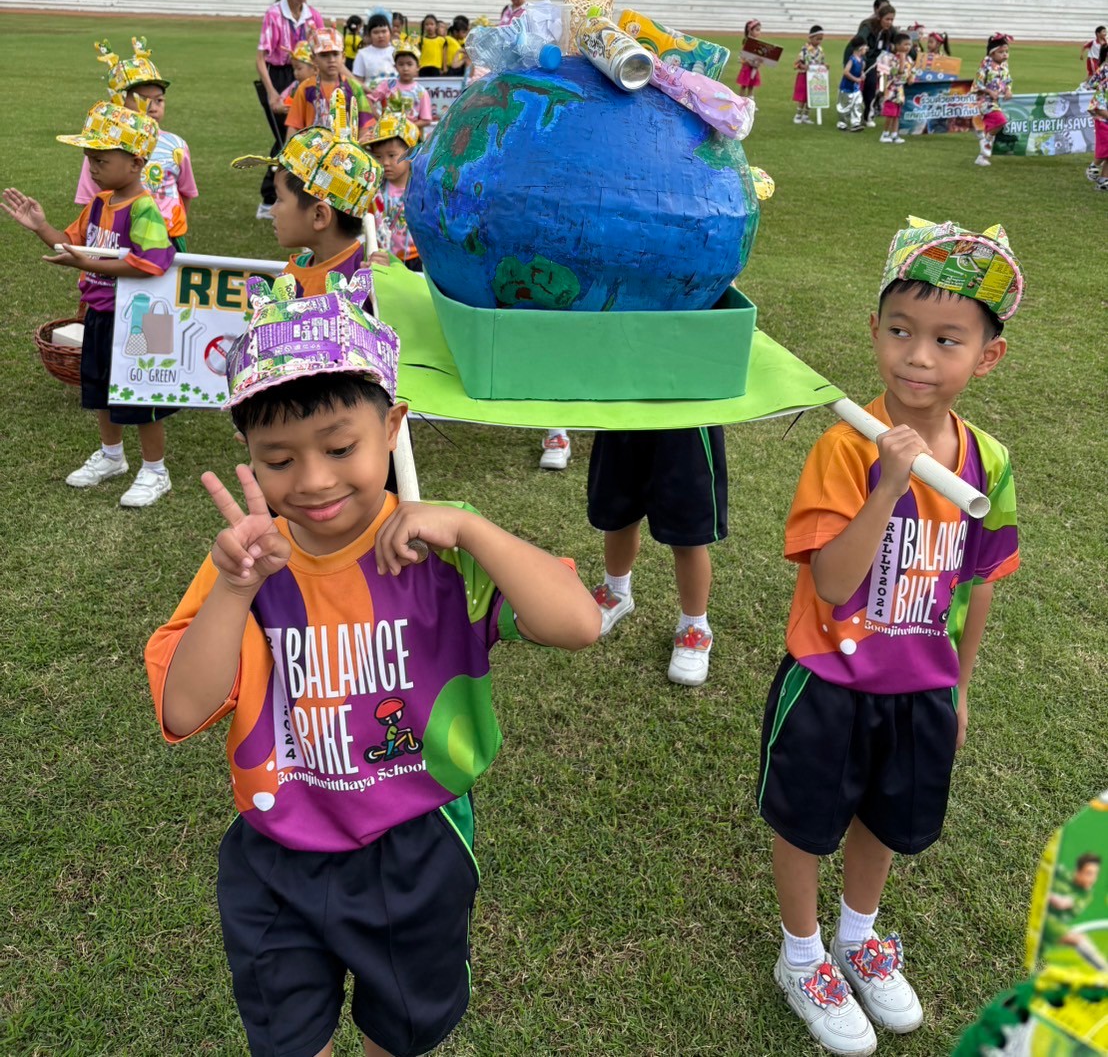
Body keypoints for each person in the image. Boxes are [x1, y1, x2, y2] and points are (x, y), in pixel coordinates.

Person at [144, 273, 600, 1057]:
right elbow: (184, 708)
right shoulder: (247, 565)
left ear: (391, 426)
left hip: (415, 845)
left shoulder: (439, 552)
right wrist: (235, 587)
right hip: (276, 852)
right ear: (247, 452)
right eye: (278, 458)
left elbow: (579, 622)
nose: (313, 480)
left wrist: (470, 527)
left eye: (340, 446)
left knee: (401, 1031)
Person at [758, 215, 1022, 1055]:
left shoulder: (989, 461)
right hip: (831, 680)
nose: (918, 356)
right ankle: (802, 955)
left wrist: (960, 686)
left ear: (986, 356)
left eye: (947, 340)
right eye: (901, 330)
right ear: (873, 330)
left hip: (920, 684)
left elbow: (978, 582)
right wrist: (887, 487)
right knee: (806, 822)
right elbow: (834, 583)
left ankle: (857, 935)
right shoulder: (846, 447)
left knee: (885, 817)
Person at [2, 96, 177, 507]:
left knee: (141, 396)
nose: (92, 168)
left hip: (140, 320)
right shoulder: (99, 203)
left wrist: (89, 263)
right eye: (89, 160)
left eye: (101, 160)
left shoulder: (144, 208)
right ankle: (112, 456)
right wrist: (40, 226)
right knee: (101, 389)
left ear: (136, 163)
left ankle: (156, 470)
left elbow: (153, 262)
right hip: (101, 314)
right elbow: (71, 245)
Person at [587, 425, 728, 686]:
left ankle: (694, 625)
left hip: (686, 421)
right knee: (617, 511)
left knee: (687, 531)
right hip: (623, 413)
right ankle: (616, 590)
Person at [233, 90, 385, 297]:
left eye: (279, 199)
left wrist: (388, 283)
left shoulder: (370, 279)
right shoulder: (292, 274)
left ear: (319, 215)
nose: (272, 211)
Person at [76, 36, 198, 251]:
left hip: (167, 239)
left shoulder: (176, 146)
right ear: (118, 101)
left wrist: (173, 226)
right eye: (142, 99)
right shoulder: (101, 147)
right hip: (118, 238)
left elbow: (186, 192)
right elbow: (90, 202)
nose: (153, 107)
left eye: (159, 100)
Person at [254, 0, 324, 220]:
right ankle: (271, 198)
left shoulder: (313, 16)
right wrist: (272, 93)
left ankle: (283, 198)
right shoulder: (273, 14)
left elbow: (322, 51)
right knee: (286, 138)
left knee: (298, 137)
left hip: (308, 78)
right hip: (280, 76)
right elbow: (260, 58)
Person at [284, 23, 373, 143]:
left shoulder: (354, 87)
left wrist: (360, 146)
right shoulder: (305, 88)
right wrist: (288, 152)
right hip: (313, 151)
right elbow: (294, 126)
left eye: (335, 54)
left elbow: (365, 125)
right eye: (324, 55)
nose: (331, 60)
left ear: (343, 57)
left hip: (348, 151)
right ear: (313, 59)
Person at [367, 112, 423, 270]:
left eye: (392, 155)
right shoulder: (375, 188)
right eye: (378, 156)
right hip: (384, 258)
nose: (385, 162)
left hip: (417, 257)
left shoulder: (420, 190)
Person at [1042, 854, 1108, 971]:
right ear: (1078, 871)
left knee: (1078, 939)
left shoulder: (1085, 895)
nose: (1093, 879)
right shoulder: (1061, 873)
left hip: (1046, 922)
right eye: (1089, 873)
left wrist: (1046, 895)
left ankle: (1105, 970)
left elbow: (1062, 904)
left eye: (1095, 874)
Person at [367, 38, 433, 130]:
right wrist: (379, 118)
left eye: (409, 64)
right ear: (395, 67)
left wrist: (406, 127)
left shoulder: (421, 92)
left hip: (410, 136)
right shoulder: (388, 85)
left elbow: (426, 120)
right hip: (387, 132)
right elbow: (368, 99)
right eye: (401, 64)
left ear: (418, 67)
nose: (405, 68)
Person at [852, 3, 896, 128]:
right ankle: (852, 114)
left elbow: (900, 40)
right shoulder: (868, 26)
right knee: (855, 88)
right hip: (859, 59)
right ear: (879, 17)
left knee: (874, 87)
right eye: (887, 19)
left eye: (892, 19)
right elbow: (860, 41)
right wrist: (862, 61)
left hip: (877, 63)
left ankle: (868, 116)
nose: (889, 22)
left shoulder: (890, 30)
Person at [972, 35, 1013, 167]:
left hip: (998, 101)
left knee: (996, 126)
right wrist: (989, 91)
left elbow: (1008, 80)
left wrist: (1008, 90)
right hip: (985, 101)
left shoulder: (1004, 66)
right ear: (992, 53)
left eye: (1006, 51)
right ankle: (985, 139)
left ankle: (982, 155)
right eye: (1001, 52)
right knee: (1000, 121)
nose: (1005, 54)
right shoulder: (986, 65)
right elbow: (977, 84)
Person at [877, 30, 912, 144]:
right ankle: (885, 133)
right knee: (890, 114)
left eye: (909, 44)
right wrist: (901, 60)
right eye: (905, 44)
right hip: (892, 90)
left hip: (900, 91)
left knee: (897, 115)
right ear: (897, 46)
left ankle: (894, 134)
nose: (908, 47)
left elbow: (910, 72)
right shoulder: (891, 59)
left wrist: (911, 77)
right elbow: (898, 72)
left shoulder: (908, 59)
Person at [793, 26, 825, 126]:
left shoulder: (820, 50)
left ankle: (806, 115)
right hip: (804, 76)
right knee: (802, 97)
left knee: (811, 96)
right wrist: (804, 66)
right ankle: (798, 115)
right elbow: (797, 64)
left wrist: (824, 67)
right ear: (810, 38)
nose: (819, 41)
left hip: (815, 77)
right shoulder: (805, 50)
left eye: (821, 39)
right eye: (817, 39)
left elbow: (822, 62)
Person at [351, 14, 395, 86]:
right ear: (369, 34)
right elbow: (357, 82)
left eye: (384, 31)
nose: (380, 35)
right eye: (376, 32)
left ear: (390, 32)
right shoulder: (362, 54)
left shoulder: (397, 52)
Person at [837, 38, 866, 132]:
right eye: (865, 47)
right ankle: (842, 123)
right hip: (847, 87)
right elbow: (846, 72)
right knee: (845, 106)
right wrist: (855, 79)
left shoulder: (861, 60)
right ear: (860, 48)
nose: (866, 49)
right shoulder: (851, 60)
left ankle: (856, 123)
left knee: (858, 104)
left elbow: (861, 71)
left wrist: (862, 74)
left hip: (856, 88)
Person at [737, 18, 763, 98]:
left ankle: (750, 101)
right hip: (747, 67)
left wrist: (759, 60)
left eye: (759, 30)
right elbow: (743, 55)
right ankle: (741, 101)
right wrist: (749, 61)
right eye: (757, 30)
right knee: (744, 85)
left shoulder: (757, 42)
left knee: (751, 85)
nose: (759, 32)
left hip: (754, 67)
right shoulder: (747, 41)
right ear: (750, 30)